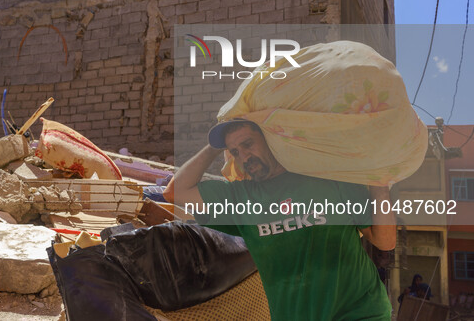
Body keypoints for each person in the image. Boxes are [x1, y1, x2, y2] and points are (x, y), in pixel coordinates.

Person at [164, 119, 396, 321]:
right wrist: (215, 146)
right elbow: (176, 191)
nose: (243, 156)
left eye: (248, 144)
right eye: (234, 151)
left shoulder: (329, 178)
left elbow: (385, 242)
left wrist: (379, 185)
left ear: (271, 139)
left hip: (360, 313)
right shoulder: (238, 197)